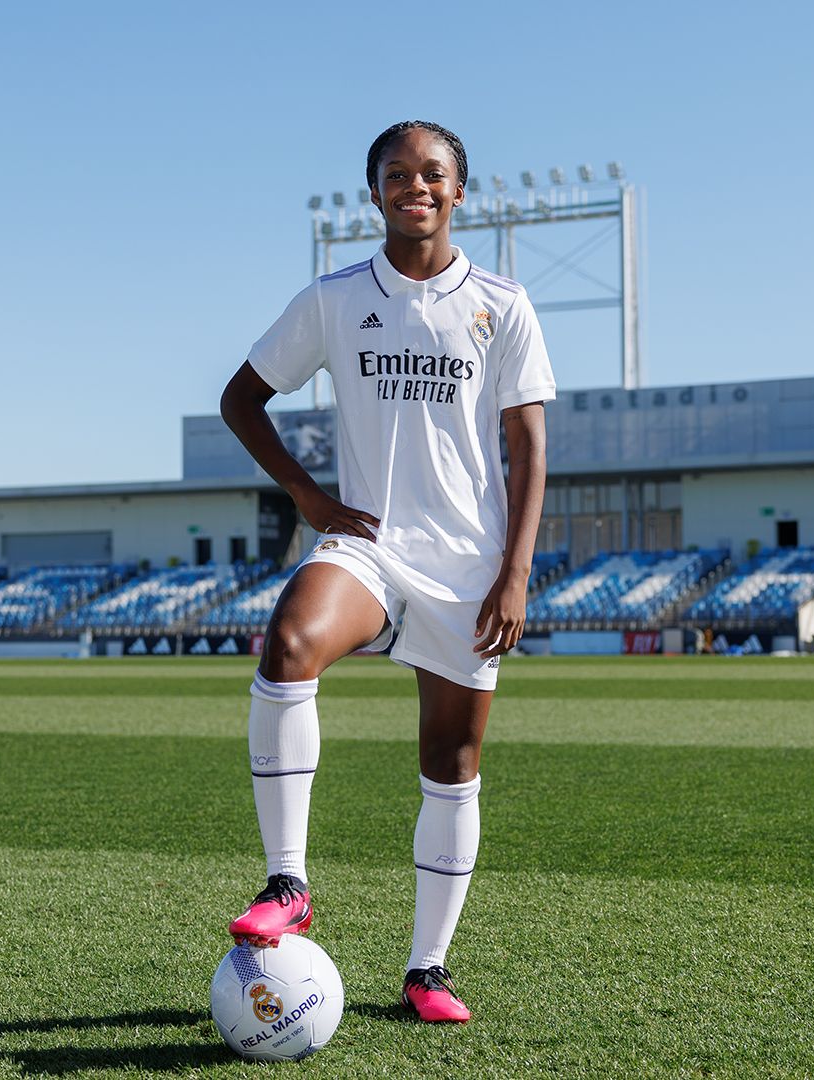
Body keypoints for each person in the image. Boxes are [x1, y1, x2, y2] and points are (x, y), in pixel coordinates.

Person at [216, 120, 554, 1024]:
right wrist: (308, 498)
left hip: (469, 566)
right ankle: (288, 881)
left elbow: (528, 444)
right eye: (397, 173)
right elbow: (241, 399)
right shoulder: (332, 299)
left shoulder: (502, 303)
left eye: (433, 173)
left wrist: (515, 572)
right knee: (289, 641)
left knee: (451, 762)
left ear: (458, 190)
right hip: (367, 544)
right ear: (373, 194)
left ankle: (427, 971)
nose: (416, 185)